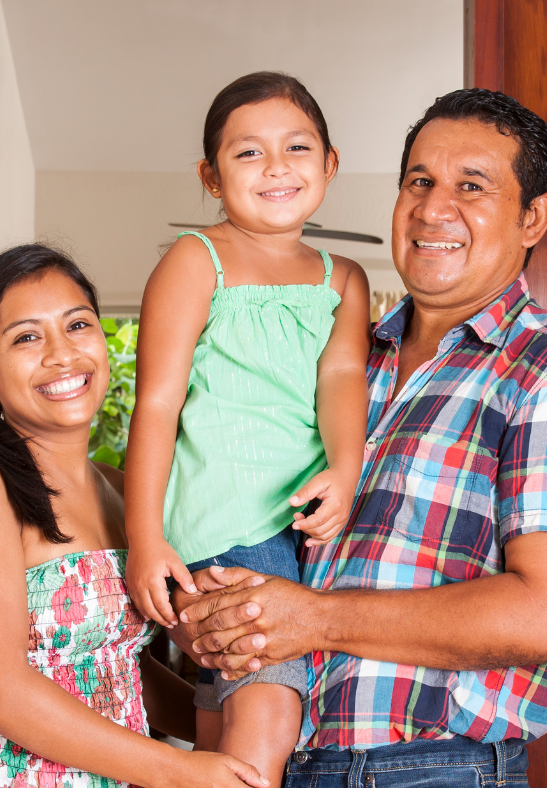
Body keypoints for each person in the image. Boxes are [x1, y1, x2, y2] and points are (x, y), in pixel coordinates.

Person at [175, 88, 547, 787]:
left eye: (471, 186)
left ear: (533, 217)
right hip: (287, 755)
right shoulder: (343, 359)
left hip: (430, 769)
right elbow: (245, 508)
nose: (433, 208)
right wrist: (212, 611)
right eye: (419, 181)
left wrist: (313, 620)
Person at [0, 244, 268, 788]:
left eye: (77, 325)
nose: (62, 354)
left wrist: (228, 736)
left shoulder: (121, 489)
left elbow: (113, 675)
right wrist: (178, 770)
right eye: (27, 337)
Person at [124, 72, 371, 785]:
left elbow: (342, 381)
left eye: (296, 147)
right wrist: (146, 538)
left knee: (221, 710)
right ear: (210, 175)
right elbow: (157, 406)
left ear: (329, 163)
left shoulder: (342, 278)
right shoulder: (195, 259)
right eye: (247, 153)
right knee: (270, 716)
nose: (276, 167)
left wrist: (347, 470)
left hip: (298, 525)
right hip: (231, 518)